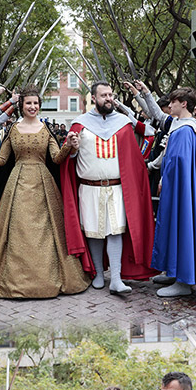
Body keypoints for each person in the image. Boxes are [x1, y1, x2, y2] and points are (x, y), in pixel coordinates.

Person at [0, 84, 88, 299]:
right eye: (28, 103)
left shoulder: (46, 130)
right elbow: (3, 160)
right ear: (22, 106)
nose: (32, 107)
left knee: (46, 231)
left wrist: (69, 145)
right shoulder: (13, 129)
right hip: (17, 184)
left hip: (43, 185)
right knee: (17, 229)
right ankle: (14, 280)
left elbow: (57, 158)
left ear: (39, 106)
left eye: (35, 103)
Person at [60, 80, 154, 293]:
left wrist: (133, 106)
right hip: (89, 188)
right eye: (104, 95)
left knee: (115, 231)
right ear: (93, 98)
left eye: (110, 95)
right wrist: (71, 148)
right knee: (94, 232)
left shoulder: (123, 122)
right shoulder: (79, 124)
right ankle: (99, 274)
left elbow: (149, 132)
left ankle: (117, 279)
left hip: (117, 188)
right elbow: (70, 156)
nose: (108, 98)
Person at [149, 85, 196, 298]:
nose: (169, 105)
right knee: (174, 227)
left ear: (183, 104)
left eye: (173, 101)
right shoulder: (180, 125)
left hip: (178, 189)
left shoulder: (185, 130)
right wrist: (143, 92)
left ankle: (183, 280)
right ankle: (174, 272)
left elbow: (177, 162)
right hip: (175, 186)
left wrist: (166, 179)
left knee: (180, 226)